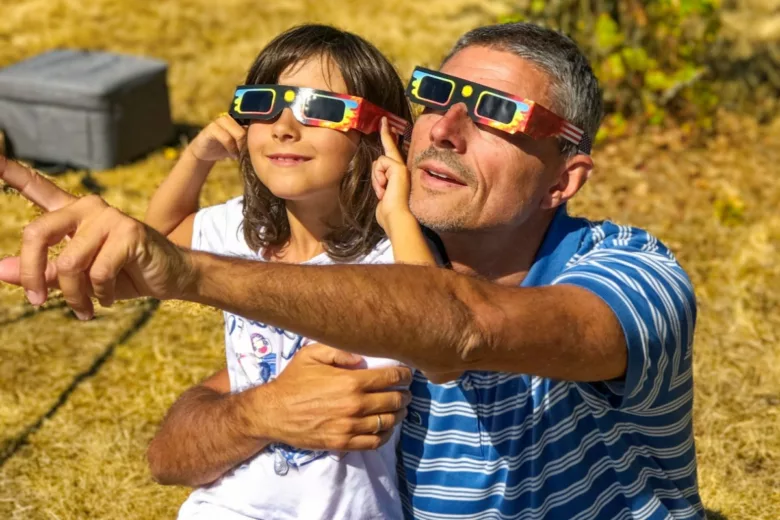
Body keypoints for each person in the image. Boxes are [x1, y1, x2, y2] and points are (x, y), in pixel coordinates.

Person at [0, 22, 703, 519]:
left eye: (495, 117)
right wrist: (260, 414)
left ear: (564, 179)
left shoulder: (633, 275)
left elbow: (459, 328)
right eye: (435, 96)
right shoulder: (365, 265)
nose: (443, 129)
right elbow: (171, 451)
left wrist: (184, 271)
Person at [144, 24, 435, 520]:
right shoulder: (246, 233)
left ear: (381, 134)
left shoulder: (388, 250)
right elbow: (158, 240)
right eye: (263, 103)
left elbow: (434, 317)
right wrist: (196, 157)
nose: (284, 126)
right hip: (228, 505)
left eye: (317, 109)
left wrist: (400, 214)